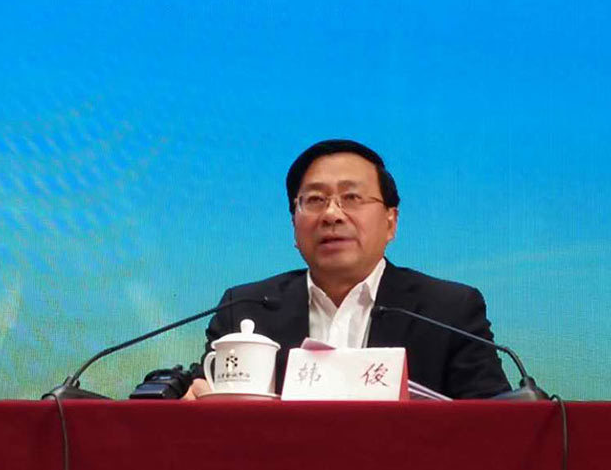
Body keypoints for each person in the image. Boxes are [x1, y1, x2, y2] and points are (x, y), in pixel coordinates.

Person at [184, 139, 510, 399]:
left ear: (391, 222)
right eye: (315, 200)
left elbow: (496, 424)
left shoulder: (448, 311)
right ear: (294, 224)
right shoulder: (245, 307)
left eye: (352, 197)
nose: (332, 214)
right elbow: (201, 395)